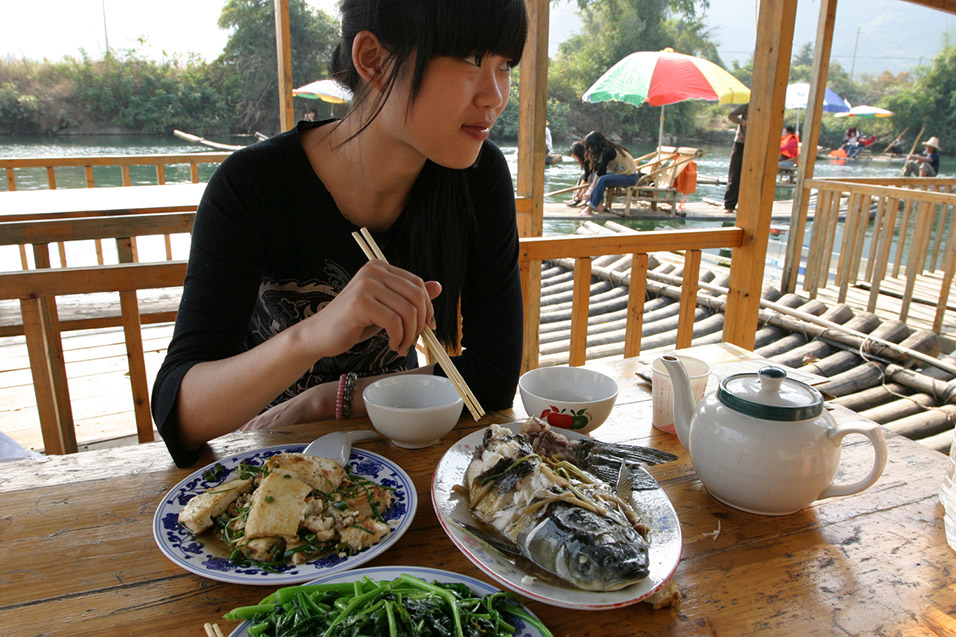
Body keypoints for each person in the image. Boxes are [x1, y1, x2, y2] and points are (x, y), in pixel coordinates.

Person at [151, 0, 528, 468]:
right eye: (472, 60)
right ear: (373, 59)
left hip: (398, 456)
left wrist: (330, 398)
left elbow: (491, 377)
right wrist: (314, 334)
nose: (495, 95)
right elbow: (178, 415)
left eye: (505, 65)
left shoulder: (478, 177)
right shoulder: (253, 185)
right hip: (267, 462)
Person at [580, 131, 637, 215]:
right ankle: (599, 205)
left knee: (602, 179)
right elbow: (598, 171)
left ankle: (590, 208)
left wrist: (591, 189)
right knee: (595, 175)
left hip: (630, 177)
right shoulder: (606, 149)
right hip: (621, 175)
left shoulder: (608, 151)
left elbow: (602, 172)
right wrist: (590, 188)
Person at [723, 102, 748, 214]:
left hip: (757, 143)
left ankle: (747, 204)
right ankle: (729, 205)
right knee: (735, 174)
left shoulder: (768, 107)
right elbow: (731, 115)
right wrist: (744, 122)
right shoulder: (749, 105)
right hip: (741, 142)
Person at [564, 139, 592, 207]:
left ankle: (580, 199)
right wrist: (577, 190)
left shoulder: (588, 160)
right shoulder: (584, 162)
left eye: (576, 158)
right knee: (582, 176)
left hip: (595, 175)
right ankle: (575, 198)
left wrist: (579, 191)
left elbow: (586, 178)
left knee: (588, 178)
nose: (575, 160)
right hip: (587, 176)